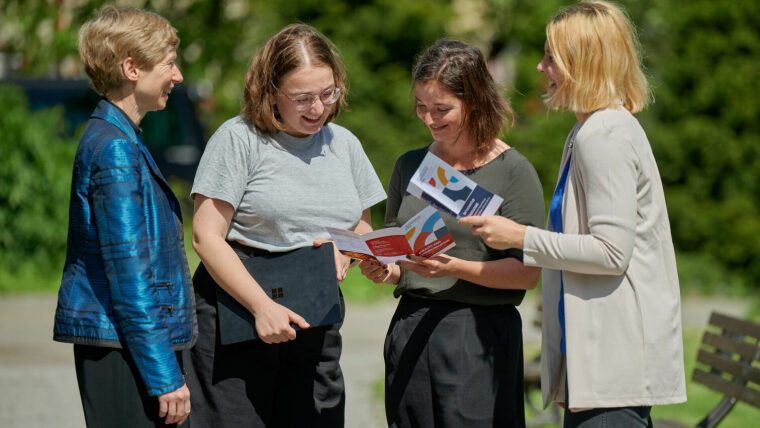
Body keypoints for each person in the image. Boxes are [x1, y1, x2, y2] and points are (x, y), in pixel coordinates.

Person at [461, 1, 687, 427]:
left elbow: (611, 252)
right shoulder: (589, 130)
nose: (541, 66)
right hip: (597, 362)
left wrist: (519, 238)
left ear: (582, 63)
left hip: (613, 364)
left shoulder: (603, 137)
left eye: (551, 56)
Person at [185, 23, 386, 427]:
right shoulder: (238, 139)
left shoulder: (343, 143)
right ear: (270, 91)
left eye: (329, 94)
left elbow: (361, 225)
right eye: (302, 98)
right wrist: (262, 307)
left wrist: (351, 251)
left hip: (316, 318)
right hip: (238, 319)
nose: (318, 108)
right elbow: (206, 237)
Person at [359, 40, 544, 428]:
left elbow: (527, 274)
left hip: (479, 334)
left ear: (474, 102)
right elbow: (400, 254)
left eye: (442, 109)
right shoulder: (409, 165)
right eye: (421, 107)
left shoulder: (514, 172)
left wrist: (454, 267)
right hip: (411, 325)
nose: (428, 119)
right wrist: (384, 268)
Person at [52, 6, 194, 428]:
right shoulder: (114, 147)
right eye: (169, 63)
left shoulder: (121, 136)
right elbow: (130, 275)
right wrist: (164, 375)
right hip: (120, 348)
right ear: (132, 68)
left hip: (124, 341)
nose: (178, 75)